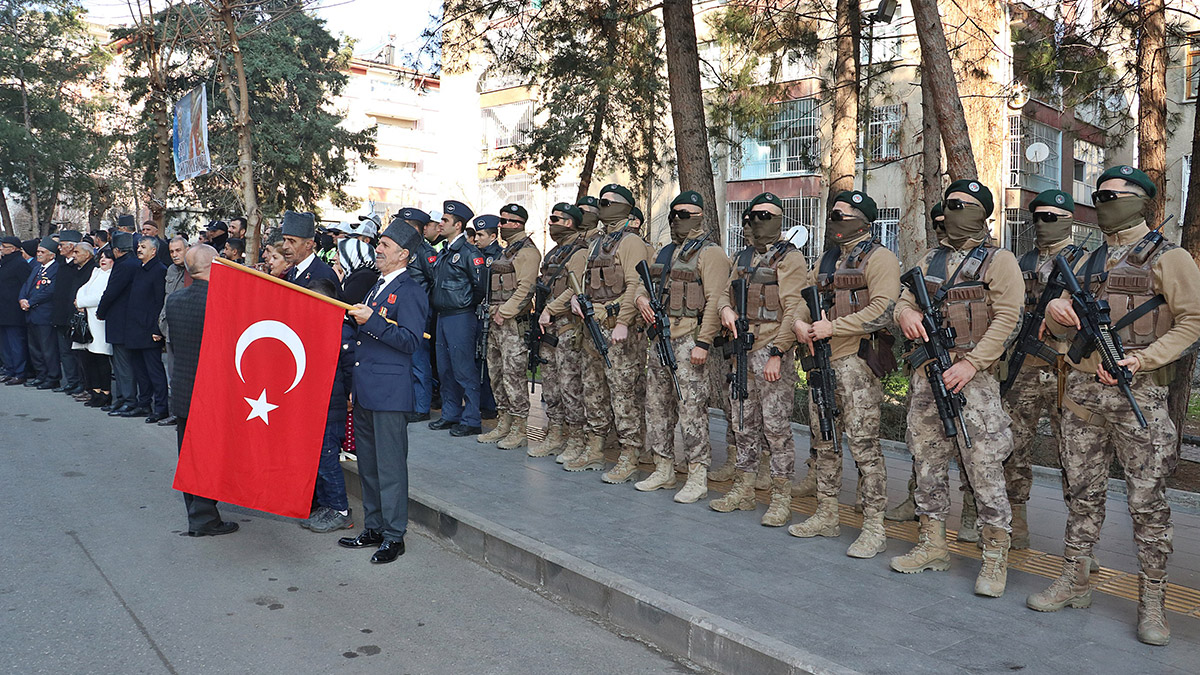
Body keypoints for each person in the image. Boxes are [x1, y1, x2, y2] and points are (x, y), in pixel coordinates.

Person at [1031, 165, 1200, 645]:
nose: (1104, 200)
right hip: (1083, 393)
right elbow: (1058, 321)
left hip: (1138, 393)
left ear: (1142, 200)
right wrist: (1054, 311)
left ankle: (1153, 602)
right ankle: (1075, 578)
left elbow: (1191, 321)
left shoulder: (1170, 257)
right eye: (1099, 194)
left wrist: (1143, 359)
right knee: (1081, 494)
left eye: (1115, 194)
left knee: (1148, 503)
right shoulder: (1083, 257)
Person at [890, 179, 1021, 598]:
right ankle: (933, 544)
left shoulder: (999, 261)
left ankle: (995, 555)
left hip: (974, 380)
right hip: (929, 375)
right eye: (949, 203)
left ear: (981, 213)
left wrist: (971, 363)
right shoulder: (932, 257)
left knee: (983, 465)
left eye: (962, 204)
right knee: (926, 459)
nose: (952, 210)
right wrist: (904, 313)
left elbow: (1008, 320)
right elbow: (903, 297)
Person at [787, 190, 900, 557]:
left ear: (862, 220)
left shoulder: (880, 258)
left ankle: (873, 526)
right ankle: (827, 513)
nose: (835, 219)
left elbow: (885, 309)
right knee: (824, 443)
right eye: (833, 213)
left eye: (842, 213)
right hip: (821, 362)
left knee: (865, 448)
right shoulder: (826, 259)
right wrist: (800, 326)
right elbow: (801, 303)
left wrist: (834, 328)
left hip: (856, 362)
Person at [709, 192, 807, 526]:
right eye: (756, 214)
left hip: (770, 350)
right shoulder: (742, 257)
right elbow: (724, 292)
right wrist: (724, 309)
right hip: (741, 350)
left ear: (780, 220)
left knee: (777, 428)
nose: (760, 220)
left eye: (769, 215)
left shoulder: (790, 258)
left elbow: (794, 307)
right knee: (742, 423)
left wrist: (778, 352)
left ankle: (781, 498)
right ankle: (745, 489)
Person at [338, 221, 429, 564]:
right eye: (380, 243)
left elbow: (409, 341)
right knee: (370, 467)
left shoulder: (411, 290)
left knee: (390, 468)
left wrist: (371, 320)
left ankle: (394, 535)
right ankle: (374, 527)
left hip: (390, 392)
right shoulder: (376, 285)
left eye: (386, 245)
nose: (378, 249)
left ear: (403, 254)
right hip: (365, 390)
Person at [633, 191, 732, 504]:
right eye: (675, 213)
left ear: (700, 215)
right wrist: (640, 300)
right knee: (657, 406)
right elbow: (641, 284)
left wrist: (704, 342)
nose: (678, 218)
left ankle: (697, 474)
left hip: (690, 340)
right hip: (660, 339)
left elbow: (716, 300)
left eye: (686, 212)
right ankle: (663, 468)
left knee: (692, 409)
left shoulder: (711, 253)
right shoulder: (664, 252)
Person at [1000, 189, 1083, 550]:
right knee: (1014, 448)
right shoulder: (1022, 262)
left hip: (1068, 370)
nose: (1042, 224)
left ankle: (1080, 540)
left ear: (1068, 220)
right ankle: (1016, 522)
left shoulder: (1085, 262)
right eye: (1038, 217)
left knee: (1076, 455)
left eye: (1051, 217)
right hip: (1025, 369)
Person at [556, 183, 651, 479]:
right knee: (593, 391)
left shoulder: (631, 241)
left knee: (623, 396)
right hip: (591, 329)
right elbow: (584, 280)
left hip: (616, 332)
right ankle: (595, 449)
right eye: (601, 201)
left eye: (608, 202)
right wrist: (575, 297)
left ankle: (629, 456)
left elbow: (637, 285)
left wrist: (622, 321)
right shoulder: (597, 242)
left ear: (623, 206)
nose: (602, 206)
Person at [165, 244, 239, 537]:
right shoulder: (223, 301)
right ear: (215, 264)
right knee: (208, 458)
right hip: (211, 392)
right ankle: (205, 518)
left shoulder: (175, 300)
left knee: (188, 456)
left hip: (183, 389)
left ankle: (196, 512)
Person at [885, 201, 945, 521]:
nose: (942, 228)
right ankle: (915, 498)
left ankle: (971, 513)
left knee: (970, 447)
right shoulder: (928, 262)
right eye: (936, 223)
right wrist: (906, 312)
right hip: (925, 366)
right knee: (920, 442)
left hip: (967, 367)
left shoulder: (990, 260)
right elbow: (902, 301)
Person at [476, 203, 541, 449]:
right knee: (497, 374)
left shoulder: (527, 251)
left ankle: (519, 428)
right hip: (496, 323)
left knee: (514, 375)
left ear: (516, 223)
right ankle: (503, 422)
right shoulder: (508, 251)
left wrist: (504, 312)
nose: (500, 226)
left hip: (512, 324)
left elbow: (526, 289)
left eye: (504, 222)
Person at [300, 277, 356, 534]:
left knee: (327, 458)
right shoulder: (310, 327)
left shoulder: (342, 330)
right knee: (316, 458)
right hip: (313, 404)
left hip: (333, 405)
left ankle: (341, 509)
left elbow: (350, 371)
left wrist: (350, 399)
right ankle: (326, 504)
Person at [532, 203, 588, 460]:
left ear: (569, 222)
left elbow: (574, 288)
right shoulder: (555, 251)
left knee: (569, 386)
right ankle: (555, 434)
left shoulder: (579, 251)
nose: (550, 222)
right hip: (549, 327)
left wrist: (551, 309)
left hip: (566, 327)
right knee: (551, 385)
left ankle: (576, 440)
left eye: (555, 218)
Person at [428, 199, 487, 437]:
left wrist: (464, 305)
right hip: (443, 316)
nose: (440, 224)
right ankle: (450, 414)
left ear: (458, 225)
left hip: (460, 317)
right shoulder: (446, 251)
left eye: (445, 220)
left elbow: (479, 288)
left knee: (463, 369)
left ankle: (472, 418)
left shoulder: (469, 253)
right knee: (445, 369)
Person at [124, 236, 169, 423]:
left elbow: (160, 302)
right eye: (139, 246)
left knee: (154, 371)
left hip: (150, 330)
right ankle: (144, 404)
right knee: (140, 371)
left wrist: (157, 329)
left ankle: (161, 408)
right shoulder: (139, 269)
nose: (139, 249)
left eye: (144, 247)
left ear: (154, 251)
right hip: (135, 328)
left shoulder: (159, 270)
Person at [97, 231, 140, 413]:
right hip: (126, 319)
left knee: (122, 364)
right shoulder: (133, 263)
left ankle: (128, 399)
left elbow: (112, 291)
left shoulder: (124, 265)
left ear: (116, 250)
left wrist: (101, 311)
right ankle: (122, 398)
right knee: (122, 363)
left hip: (120, 320)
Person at [50, 231, 92, 395]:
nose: (59, 248)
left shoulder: (81, 267)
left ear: (72, 246)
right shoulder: (60, 264)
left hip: (75, 314)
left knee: (78, 352)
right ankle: (71, 381)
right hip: (61, 314)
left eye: (62, 245)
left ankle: (83, 383)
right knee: (65, 352)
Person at [74, 245, 113, 408]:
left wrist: (82, 302)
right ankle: (95, 391)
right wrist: (79, 301)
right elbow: (82, 290)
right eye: (101, 256)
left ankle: (106, 393)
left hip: (100, 322)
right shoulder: (96, 272)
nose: (103, 259)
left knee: (101, 359)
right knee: (89, 359)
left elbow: (101, 296)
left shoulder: (112, 275)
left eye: (107, 257)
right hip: (87, 321)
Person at [19, 236, 61, 389]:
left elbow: (49, 291)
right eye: (38, 252)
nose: (38, 254)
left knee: (47, 348)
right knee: (35, 348)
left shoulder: (55, 268)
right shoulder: (36, 268)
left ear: (51, 255)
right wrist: (22, 298)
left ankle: (52, 376)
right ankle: (41, 374)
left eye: (42, 252)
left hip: (44, 314)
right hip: (31, 313)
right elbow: (26, 285)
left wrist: (31, 302)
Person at [157, 236, 189, 426]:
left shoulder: (195, 270)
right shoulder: (170, 270)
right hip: (170, 328)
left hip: (187, 331)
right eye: (171, 251)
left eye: (178, 250)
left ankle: (187, 414)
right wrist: (160, 324)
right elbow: (166, 299)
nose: (175, 255)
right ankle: (176, 413)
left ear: (187, 249)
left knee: (185, 375)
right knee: (173, 375)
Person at [473, 215, 502, 421]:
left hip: (492, 313)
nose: (476, 238)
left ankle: (490, 404)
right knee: (476, 357)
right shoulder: (475, 254)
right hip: (475, 312)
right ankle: (477, 402)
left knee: (489, 360)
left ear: (493, 236)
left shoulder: (498, 256)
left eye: (481, 234)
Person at [0, 236, 32, 385]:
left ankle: (20, 372)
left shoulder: (20, 264)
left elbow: (26, 285)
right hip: (3, 308)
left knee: (15, 342)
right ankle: (9, 369)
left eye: (4, 246)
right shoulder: (5, 263)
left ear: (13, 248)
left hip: (13, 309)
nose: (1, 248)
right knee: (5, 343)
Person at [280, 211, 339, 288]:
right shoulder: (292, 272)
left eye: (292, 241)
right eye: (284, 240)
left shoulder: (324, 275)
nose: (285, 246)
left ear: (308, 244)